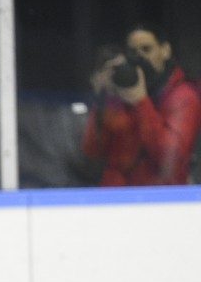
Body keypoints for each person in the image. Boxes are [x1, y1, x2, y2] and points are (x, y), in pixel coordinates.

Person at [82, 22, 200, 186]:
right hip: (116, 199)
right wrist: (105, 99)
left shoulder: (183, 96)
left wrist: (140, 102)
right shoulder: (122, 92)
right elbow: (93, 152)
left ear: (165, 50)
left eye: (147, 49)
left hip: (162, 201)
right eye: (133, 51)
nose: (140, 56)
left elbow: (170, 160)